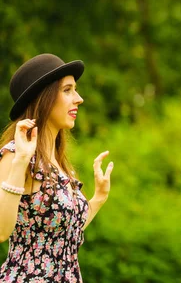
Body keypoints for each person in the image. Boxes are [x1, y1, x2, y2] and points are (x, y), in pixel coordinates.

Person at [0, 53, 114, 282]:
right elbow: (1, 231)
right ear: (44, 97)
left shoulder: (59, 163)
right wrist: (21, 160)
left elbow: (64, 233)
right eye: (67, 90)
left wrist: (98, 198)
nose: (79, 98)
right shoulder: (17, 153)